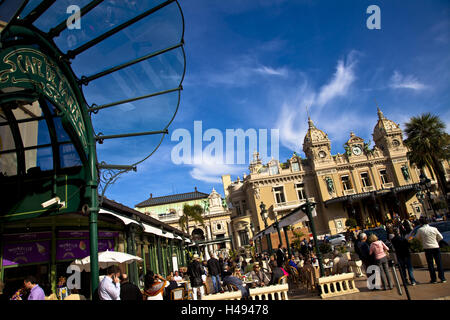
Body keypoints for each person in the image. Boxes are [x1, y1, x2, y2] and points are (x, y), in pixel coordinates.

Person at [415, 217, 447, 283]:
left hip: (427, 248)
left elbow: (417, 238)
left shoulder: (420, 230)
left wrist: (423, 240)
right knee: (439, 263)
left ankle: (433, 279)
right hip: (435, 246)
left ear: (420, 223)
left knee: (430, 264)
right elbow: (441, 237)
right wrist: (436, 240)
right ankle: (442, 278)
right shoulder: (434, 229)